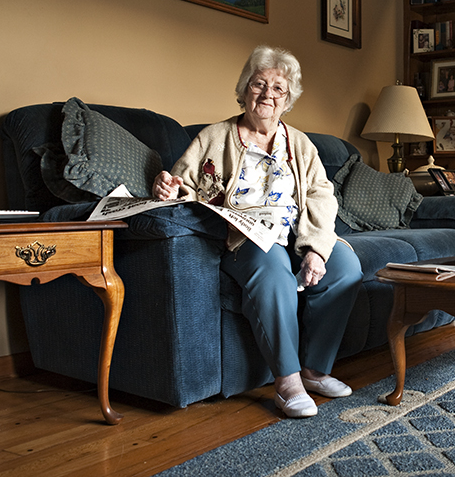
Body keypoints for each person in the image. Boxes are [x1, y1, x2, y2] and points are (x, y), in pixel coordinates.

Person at [152, 45, 362, 419]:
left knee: (345, 265)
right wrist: (168, 186)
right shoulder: (214, 136)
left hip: (297, 230)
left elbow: (321, 194)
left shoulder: (300, 143)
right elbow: (182, 182)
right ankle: (288, 382)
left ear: (288, 98)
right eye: (258, 84)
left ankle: (314, 370)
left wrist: (315, 247)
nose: (267, 94)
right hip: (245, 236)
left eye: (278, 88)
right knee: (272, 271)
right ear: (244, 89)